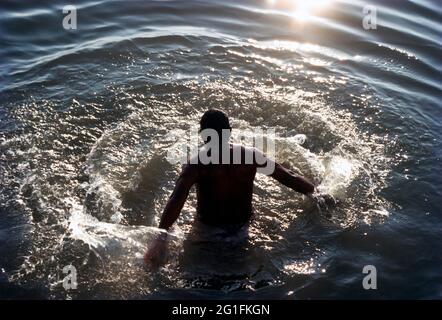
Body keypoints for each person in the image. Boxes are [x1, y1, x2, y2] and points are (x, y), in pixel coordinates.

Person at [144, 109, 335, 266]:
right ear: (229, 131)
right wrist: (317, 194)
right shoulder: (250, 156)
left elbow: (177, 198)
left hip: (207, 234)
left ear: (203, 135)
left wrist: (161, 237)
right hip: (245, 229)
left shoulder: (197, 164)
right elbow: (289, 177)